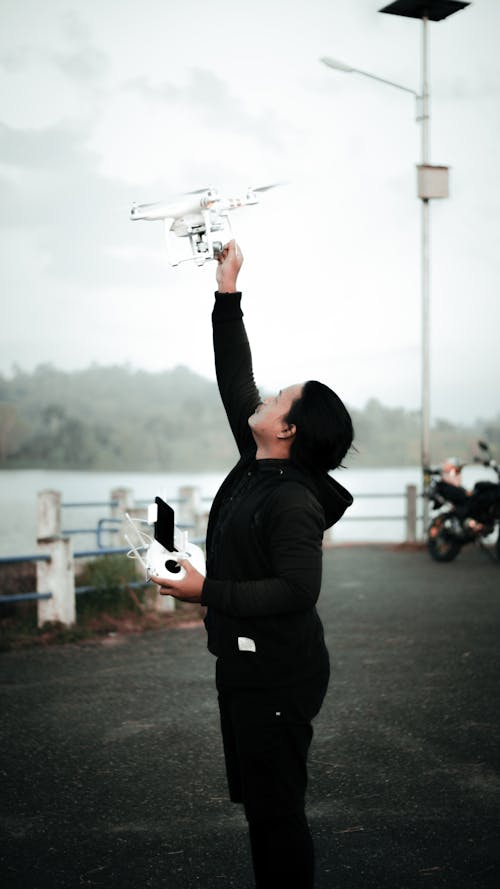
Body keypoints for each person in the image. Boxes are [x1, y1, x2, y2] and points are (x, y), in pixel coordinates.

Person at [151, 240, 354, 889]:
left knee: (276, 814)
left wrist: (209, 589)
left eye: (279, 397)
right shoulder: (258, 457)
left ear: (288, 429)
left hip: (278, 676)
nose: (264, 397)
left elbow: (298, 589)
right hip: (244, 664)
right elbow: (234, 375)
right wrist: (227, 291)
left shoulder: (292, 498)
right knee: (262, 809)